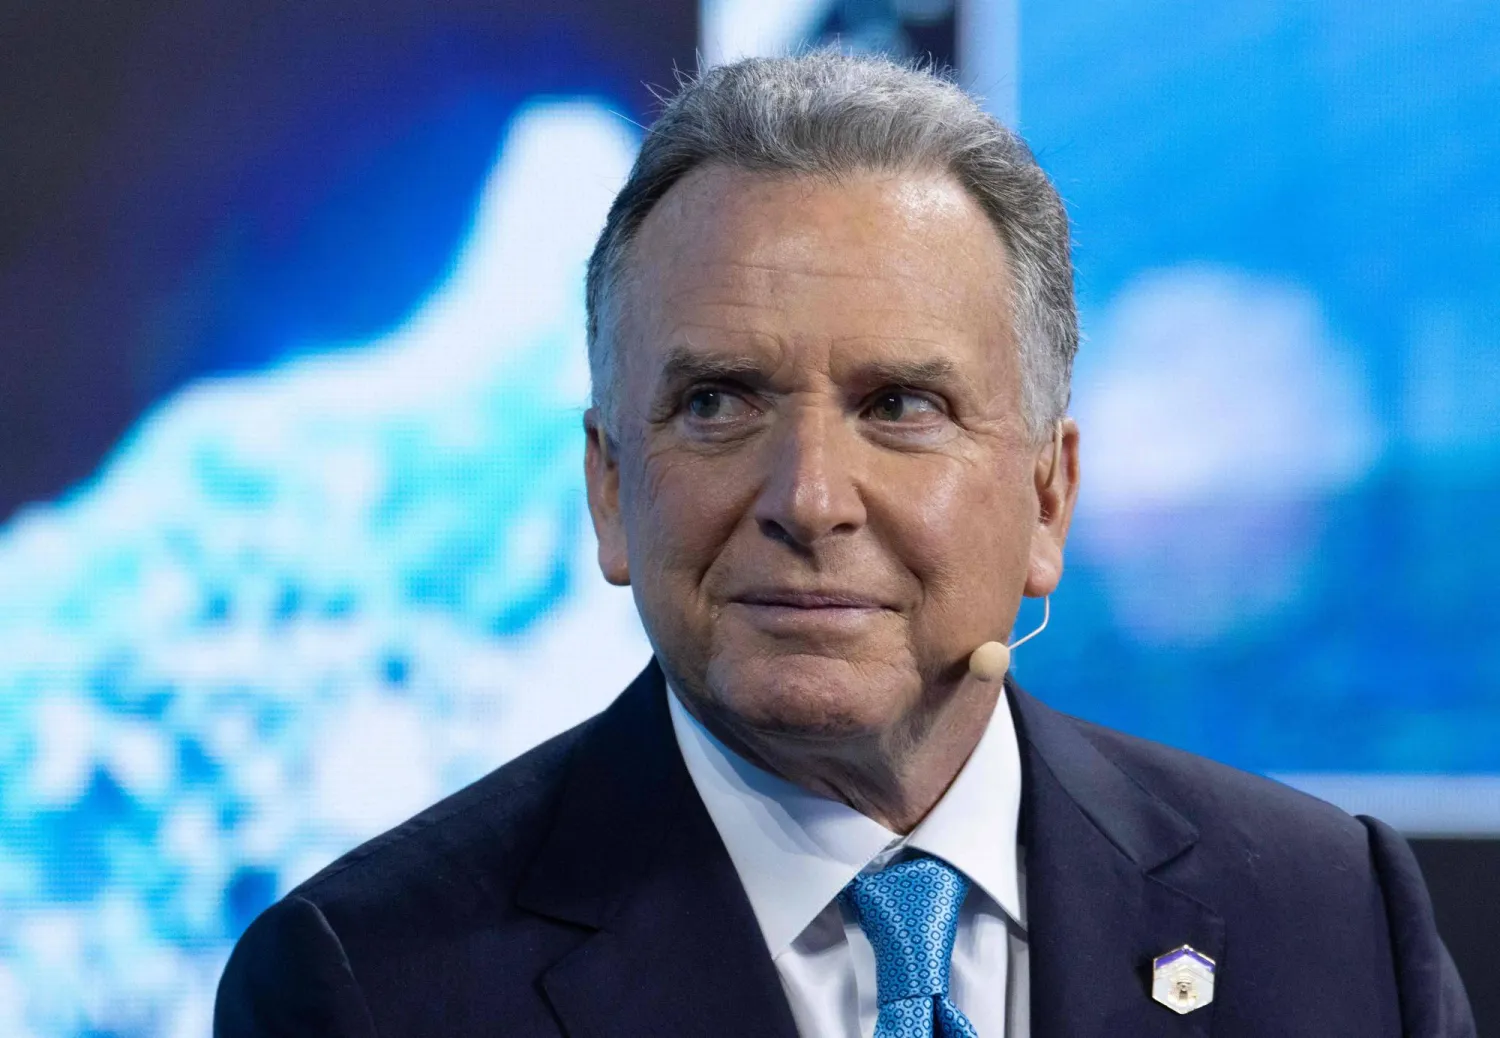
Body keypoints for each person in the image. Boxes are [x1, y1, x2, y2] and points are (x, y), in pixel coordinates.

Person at [214, 51, 1475, 1037]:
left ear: (1048, 498)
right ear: (609, 489)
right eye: (717, 404)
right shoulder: (368, 987)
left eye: (900, 407)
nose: (810, 497)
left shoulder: (1329, 923)